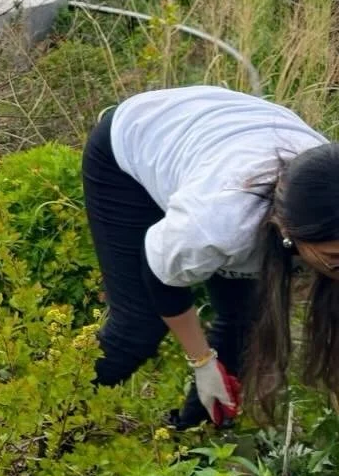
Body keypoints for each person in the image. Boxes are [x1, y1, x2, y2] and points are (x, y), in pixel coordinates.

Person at [83, 84, 339, 426]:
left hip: (223, 138)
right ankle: (53, 423)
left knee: (243, 321)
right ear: (289, 233)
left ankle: (191, 440)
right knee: (138, 327)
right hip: (135, 143)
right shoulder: (218, 225)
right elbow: (160, 274)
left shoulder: (320, 193)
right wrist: (202, 361)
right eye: (335, 258)